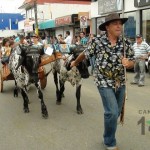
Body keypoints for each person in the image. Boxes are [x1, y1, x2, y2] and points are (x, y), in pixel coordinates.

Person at [70, 13, 135, 150]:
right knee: (111, 112)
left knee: (115, 113)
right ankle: (109, 141)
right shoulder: (97, 41)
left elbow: (132, 62)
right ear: (107, 27)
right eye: (115, 23)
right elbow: (85, 54)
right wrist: (75, 62)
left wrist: (129, 63)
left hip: (120, 81)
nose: (119, 26)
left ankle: (107, 135)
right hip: (103, 80)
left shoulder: (126, 42)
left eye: (120, 23)